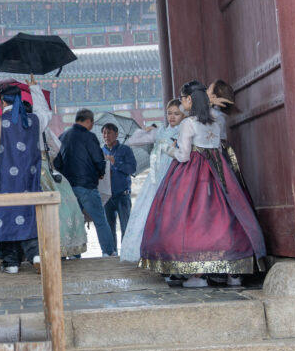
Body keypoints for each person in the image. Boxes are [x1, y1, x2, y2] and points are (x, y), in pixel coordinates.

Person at [140, 81, 266, 287]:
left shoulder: (188, 123)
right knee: (224, 217)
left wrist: (167, 148)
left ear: (189, 99)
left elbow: (183, 156)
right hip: (219, 171)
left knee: (192, 220)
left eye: (182, 99)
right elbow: (217, 147)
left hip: (192, 175)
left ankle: (198, 275)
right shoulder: (214, 121)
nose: (181, 103)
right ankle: (233, 273)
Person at [0, 81, 50, 273]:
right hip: (29, 182)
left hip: (4, 183)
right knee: (28, 215)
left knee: (4, 216)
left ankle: (11, 263)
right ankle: (35, 254)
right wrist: (34, 88)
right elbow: (45, 112)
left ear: (2, 102)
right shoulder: (34, 121)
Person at [119, 100, 184, 263]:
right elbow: (132, 142)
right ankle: (147, 250)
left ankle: (171, 250)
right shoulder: (160, 131)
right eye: (169, 113)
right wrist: (145, 130)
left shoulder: (185, 131)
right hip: (156, 176)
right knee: (148, 210)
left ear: (184, 115)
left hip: (175, 173)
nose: (172, 117)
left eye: (176, 114)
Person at [54, 109, 116, 256]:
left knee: (74, 221)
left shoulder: (63, 136)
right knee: (100, 220)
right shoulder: (89, 137)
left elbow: (57, 162)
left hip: (68, 187)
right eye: (92, 123)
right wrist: (100, 173)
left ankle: (74, 253)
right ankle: (108, 252)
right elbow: (98, 159)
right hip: (87, 186)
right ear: (88, 121)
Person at [41, 125, 87, 258]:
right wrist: (46, 157)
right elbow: (56, 147)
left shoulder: (7, 125)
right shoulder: (42, 126)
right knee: (63, 208)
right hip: (44, 170)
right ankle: (61, 247)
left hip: (19, 173)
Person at [101, 123, 137, 255]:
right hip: (106, 195)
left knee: (125, 226)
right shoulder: (100, 152)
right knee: (108, 227)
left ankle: (127, 252)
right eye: (104, 133)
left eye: (109, 133)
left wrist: (115, 162)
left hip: (122, 194)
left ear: (116, 134)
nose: (106, 136)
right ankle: (111, 253)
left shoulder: (125, 150)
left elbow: (132, 169)